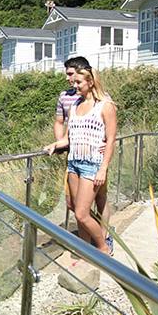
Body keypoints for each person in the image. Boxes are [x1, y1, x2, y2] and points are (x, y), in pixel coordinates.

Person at [45, 64, 117, 255]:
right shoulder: (75, 106)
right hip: (74, 164)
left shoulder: (105, 106)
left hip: (92, 165)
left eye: (78, 82)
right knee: (77, 210)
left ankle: (103, 247)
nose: (74, 85)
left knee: (82, 213)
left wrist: (103, 168)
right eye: (74, 82)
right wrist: (55, 145)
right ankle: (84, 248)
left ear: (90, 82)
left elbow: (110, 140)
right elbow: (69, 137)